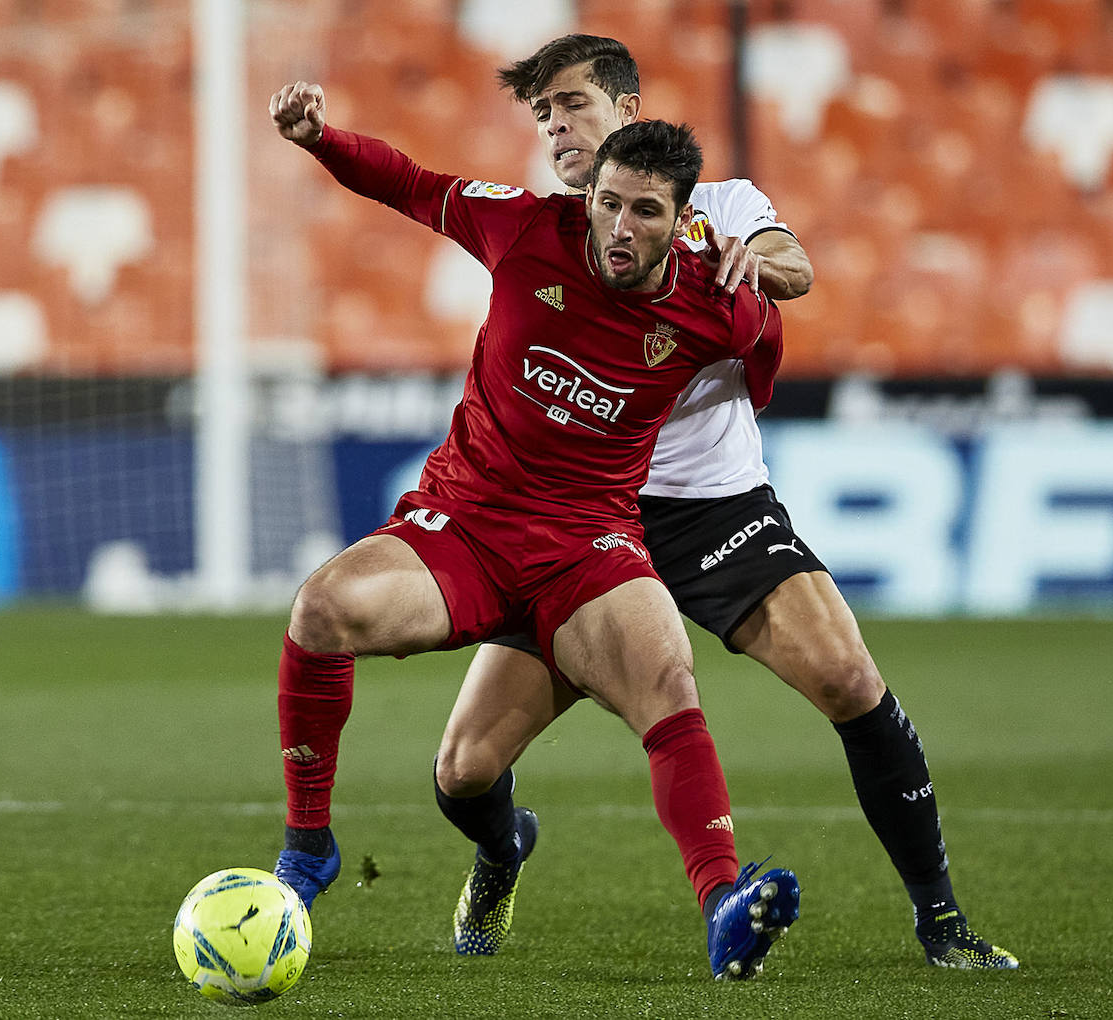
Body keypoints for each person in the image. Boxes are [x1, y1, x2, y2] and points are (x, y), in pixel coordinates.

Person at [433, 35, 1018, 971]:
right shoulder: (546, 225)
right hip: (575, 522)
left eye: (572, 104)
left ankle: (943, 923)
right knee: (463, 771)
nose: (555, 126)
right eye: (542, 113)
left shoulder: (718, 206)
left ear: (626, 113)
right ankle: (503, 850)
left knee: (849, 680)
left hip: (708, 508)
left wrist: (757, 258)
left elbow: (795, 264)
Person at [266, 80, 799, 981]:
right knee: (335, 623)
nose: (619, 228)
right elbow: (408, 181)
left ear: (683, 221)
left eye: (645, 212)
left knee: (668, 675)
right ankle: (313, 846)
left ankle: (722, 906)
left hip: (587, 547)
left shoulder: (719, 301)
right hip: (464, 526)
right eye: (608, 205)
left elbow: (765, 350)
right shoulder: (521, 228)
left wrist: (770, 275)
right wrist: (322, 139)